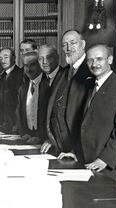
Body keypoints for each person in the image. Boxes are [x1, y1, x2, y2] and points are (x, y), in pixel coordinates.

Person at [79, 44, 116, 180]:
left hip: (105, 167)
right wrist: (75, 152)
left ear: (110, 60)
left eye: (99, 59)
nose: (94, 64)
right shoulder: (90, 86)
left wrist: (105, 159)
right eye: (90, 60)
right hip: (86, 161)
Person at [41, 30, 94, 158]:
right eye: (65, 45)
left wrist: (76, 150)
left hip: (80, 151)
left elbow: (92, 119)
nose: (68, 48)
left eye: (73, 43)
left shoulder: (92, 71)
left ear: (83, 44)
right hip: (60, 147)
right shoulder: (63, 72)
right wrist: (51, 138)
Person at [16, 51, 50, 144]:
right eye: (26, 65)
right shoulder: (22, 88)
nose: (28, 69)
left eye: (32, 65)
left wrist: (41, 137)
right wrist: (24, 133)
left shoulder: (49, 84)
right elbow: (19, 113)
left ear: (40, 65)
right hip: (28, 138)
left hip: (45, 140)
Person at [0, 47, 24, 132]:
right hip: (4, 123)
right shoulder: (2, 76)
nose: (2, 61)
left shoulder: (20, 74)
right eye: (0, 58)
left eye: (6, 57)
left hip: (16, 124)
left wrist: (17, 124)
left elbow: (21, 103)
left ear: (13, 58)